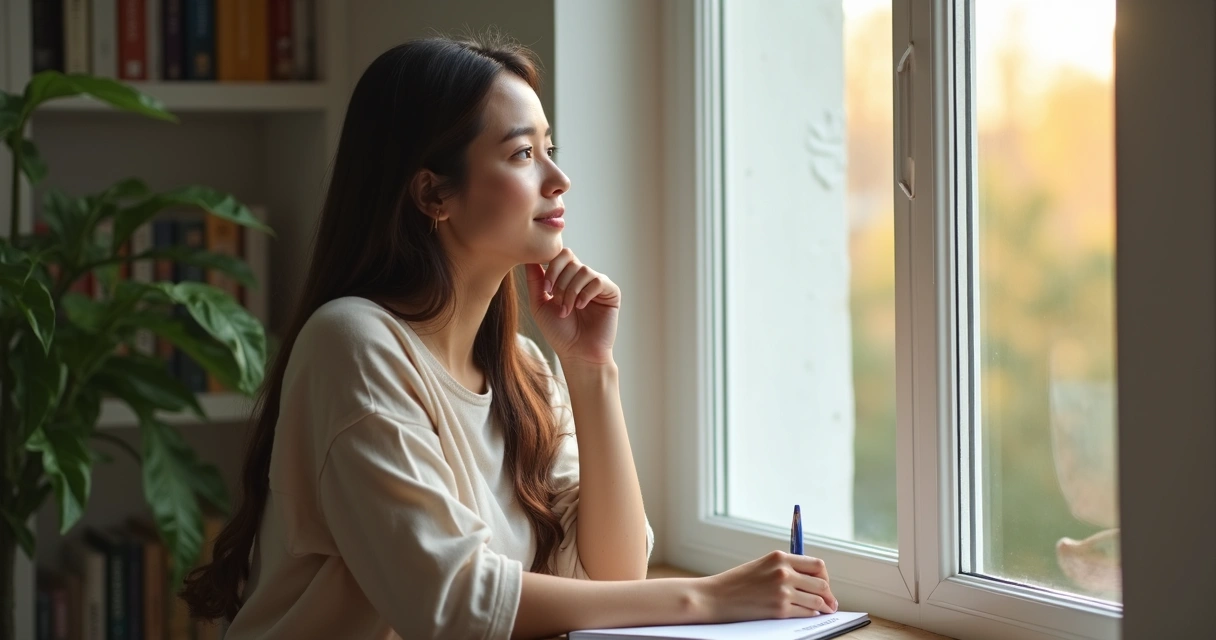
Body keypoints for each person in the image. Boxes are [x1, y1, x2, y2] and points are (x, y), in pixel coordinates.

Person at [178, 33, 838, 640]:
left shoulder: (524, 368)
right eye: (523, 153)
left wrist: (591, 369)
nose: (558, 178)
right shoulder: (352, 342)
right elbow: (453, 604)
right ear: (433, 194)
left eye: (551, 149)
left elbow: (614, 574)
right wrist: (709, 598)